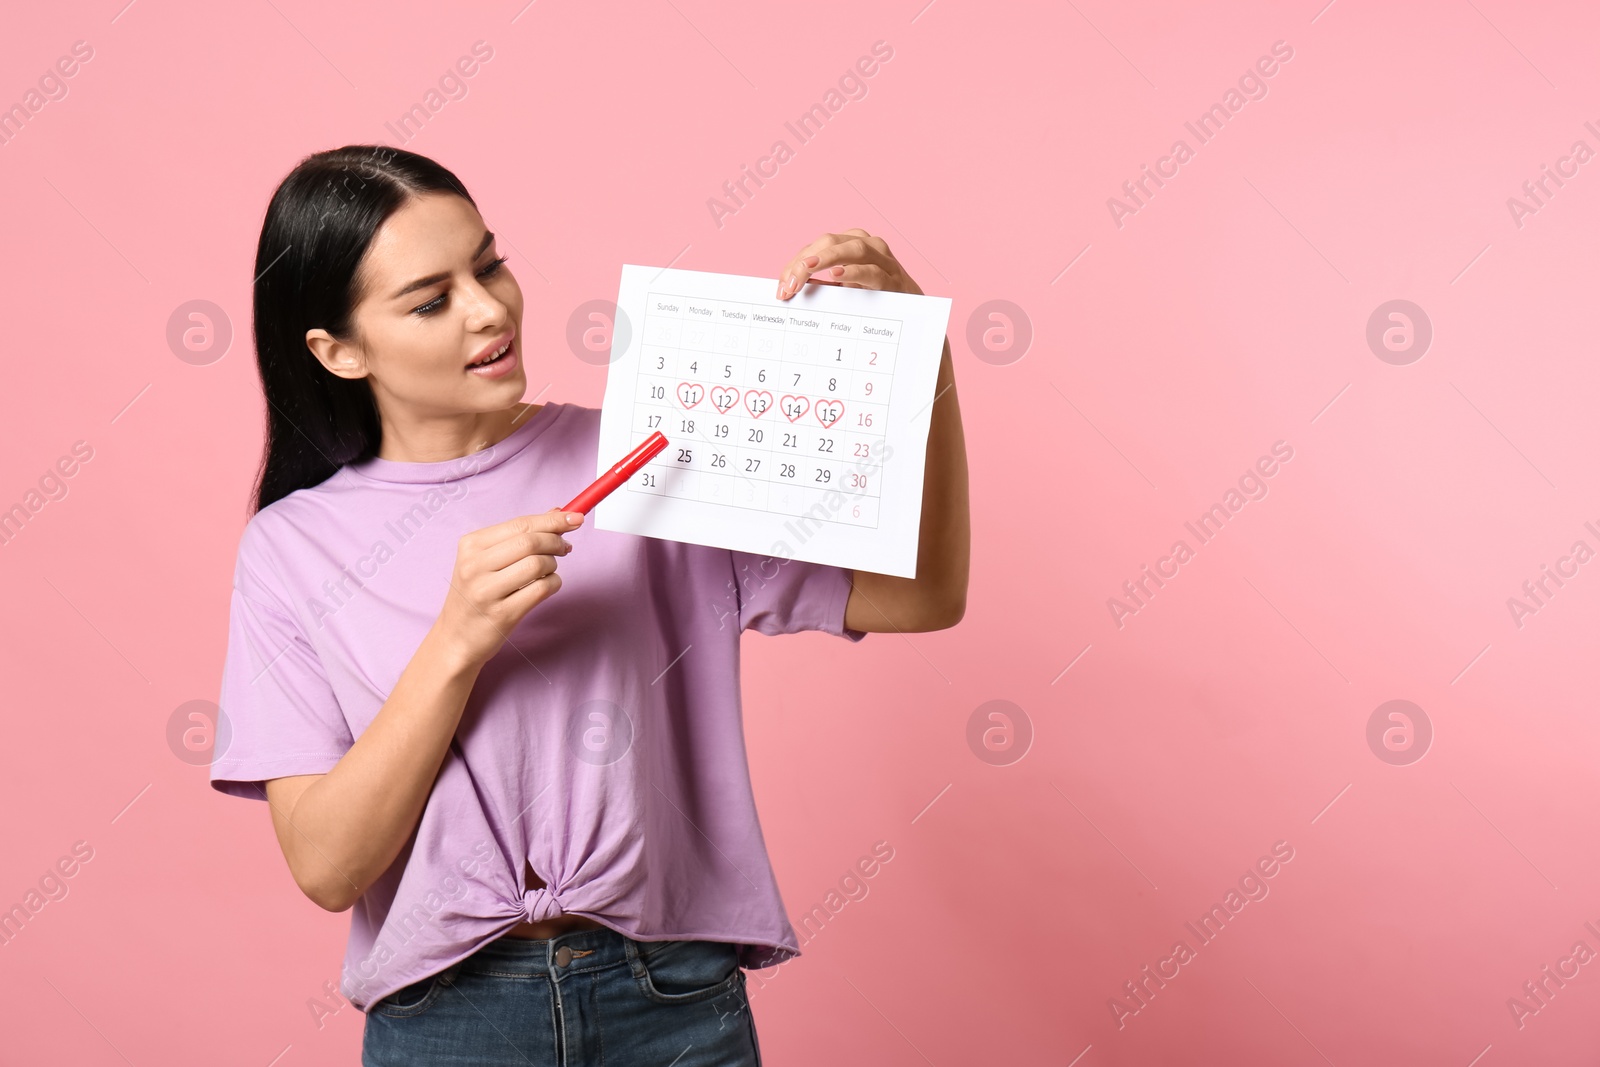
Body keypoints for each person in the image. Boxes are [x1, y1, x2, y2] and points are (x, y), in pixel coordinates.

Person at [209, 144, 970, 1066]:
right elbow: (330, 868)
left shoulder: (651, 456)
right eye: (430, 299)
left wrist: (918, 356)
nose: (489, 309)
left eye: (488, 264)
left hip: (674, 999)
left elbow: (924, 594)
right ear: (337, 350)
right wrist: (457, 641)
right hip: (447, 1022)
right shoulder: (292, 548)